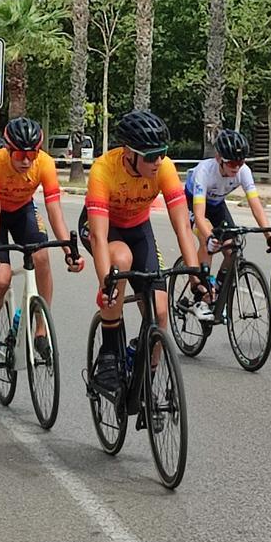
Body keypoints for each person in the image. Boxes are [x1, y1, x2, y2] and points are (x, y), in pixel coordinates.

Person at [81, 110, 206, 392]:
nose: (158, 161)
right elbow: (99, 237)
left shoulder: (164, 168)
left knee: (160, 313)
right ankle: (110, 353)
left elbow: (183, 227)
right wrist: (106, 283)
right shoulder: (104, 169)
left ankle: (145, 381)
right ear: (128, 153)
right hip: (104, 228)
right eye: (150, 156)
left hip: (138, 228)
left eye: (162, 153)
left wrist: (196, 275)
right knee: (120, 261)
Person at [0, 118, 83, 370]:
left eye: (32, 153)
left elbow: (54, 210)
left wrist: (69, 249)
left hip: (23, 209)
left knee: (42, 257)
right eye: (21, 154)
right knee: (0, 278)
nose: (26, 160)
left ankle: (40, 331)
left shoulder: (44, 163)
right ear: (9, 150)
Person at [184, 129, 271, 320]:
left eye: (241, 162)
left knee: (232, 246)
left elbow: (255, 204)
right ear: (219, 158)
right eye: (231, 163)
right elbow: (199, 214)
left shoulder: (243, 172)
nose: (236, 168)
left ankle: (217, 289)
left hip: (217, 204)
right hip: (192, 202)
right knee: (208, 240)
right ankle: (200, 297)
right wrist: (210, 235)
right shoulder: (205, 172)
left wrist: (269, 234)